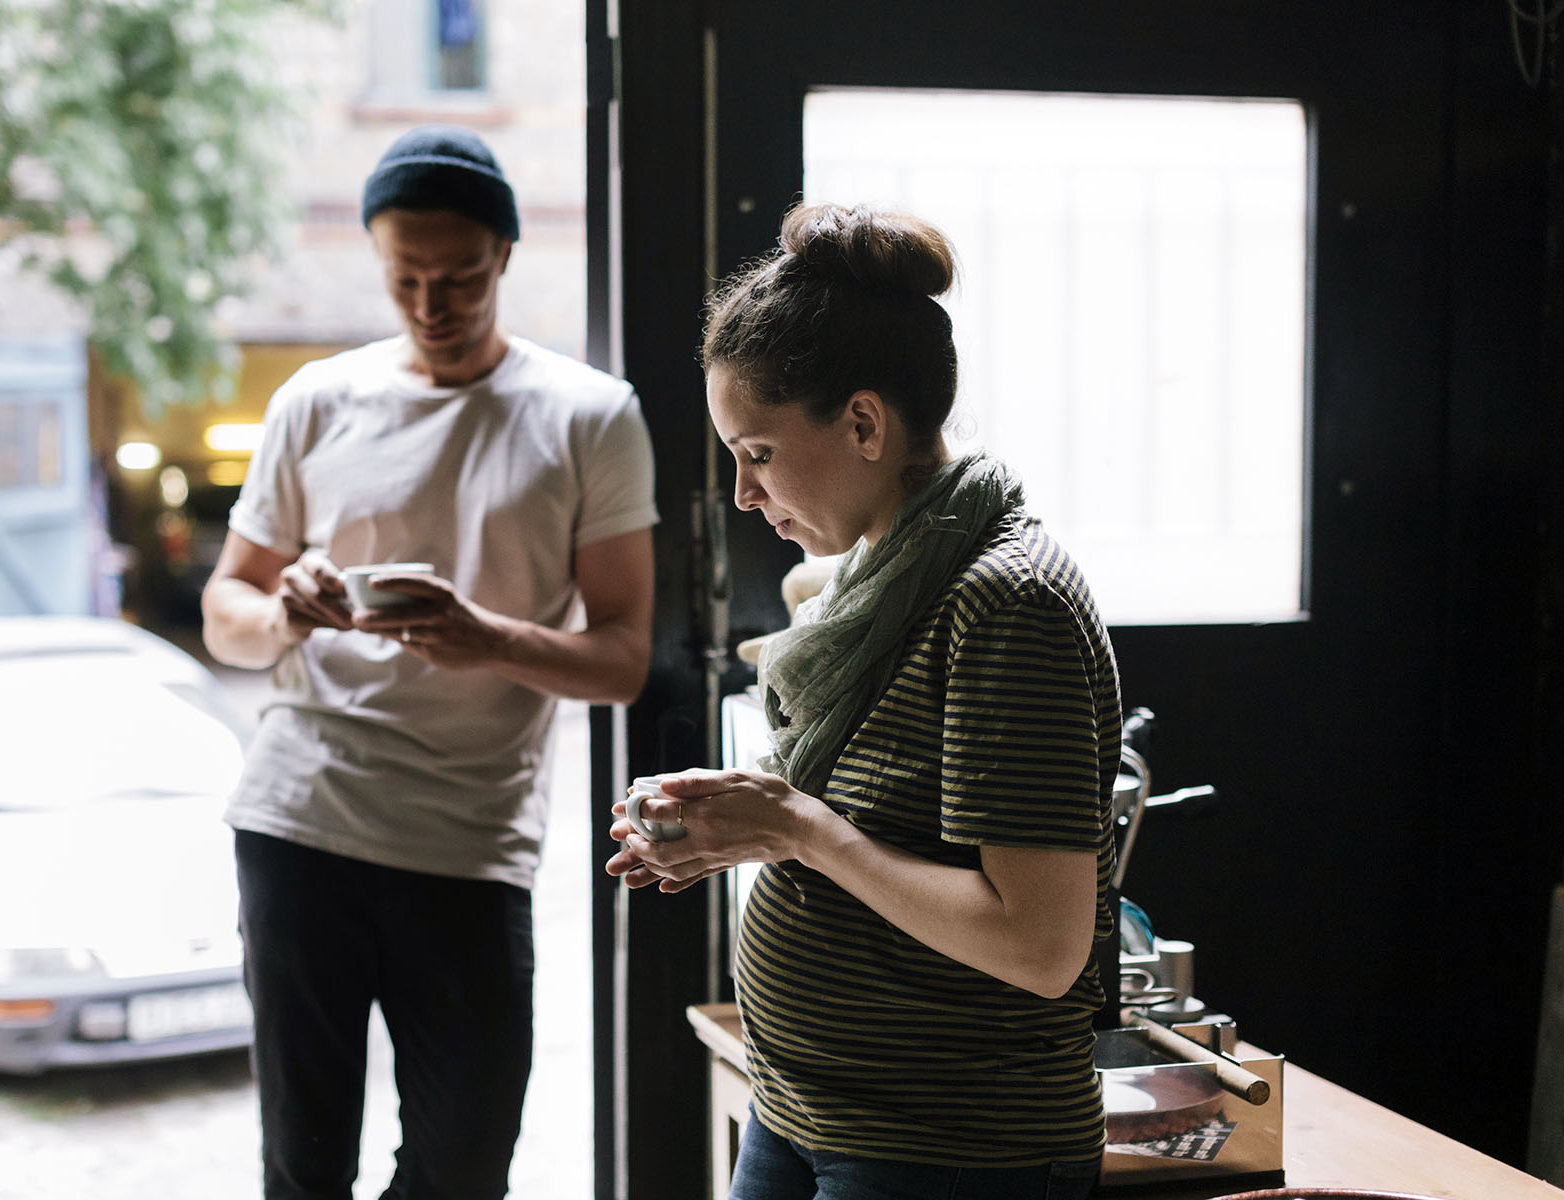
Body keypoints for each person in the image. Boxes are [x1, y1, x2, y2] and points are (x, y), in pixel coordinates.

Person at [606, 203, 1120, 1200]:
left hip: (947, 1147)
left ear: (864, 422)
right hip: (800, 1109)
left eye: (755, 452)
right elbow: (876, 832)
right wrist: (734, 827)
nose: (746, 495)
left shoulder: (1007, 600)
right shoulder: (872, 577)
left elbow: (1043, 946)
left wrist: (795, 827)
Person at [203, 125, 658, 1200]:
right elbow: (227, 613)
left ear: (504, 255)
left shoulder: (590, 416)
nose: (431, 304)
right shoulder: (316, 399)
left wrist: (489, 637)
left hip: (467, 842)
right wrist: (288, 614)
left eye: (457, 277)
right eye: (404, 278)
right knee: (302, 1166)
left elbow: (625, 657)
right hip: (300, 819)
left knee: (464, 1166)